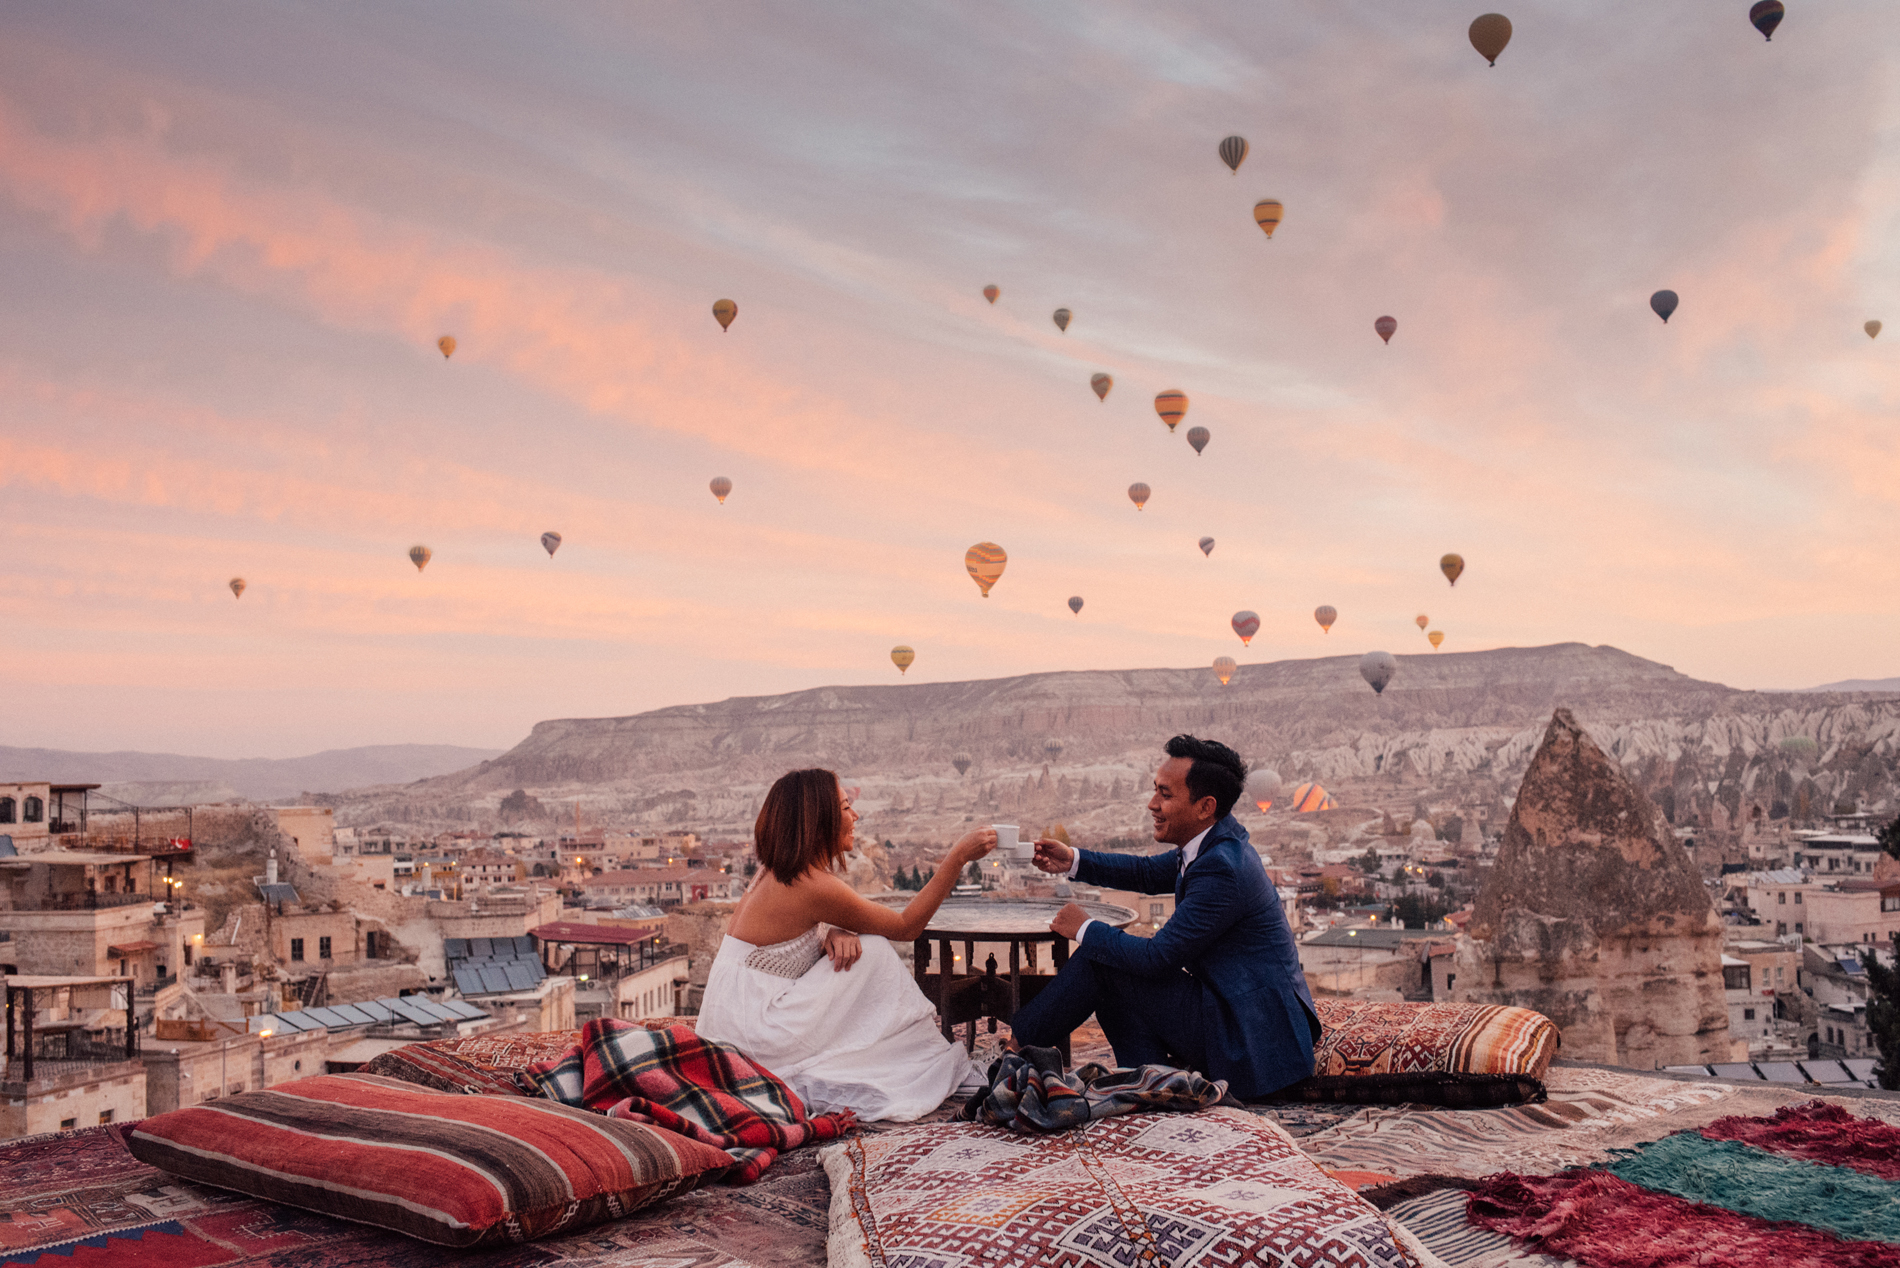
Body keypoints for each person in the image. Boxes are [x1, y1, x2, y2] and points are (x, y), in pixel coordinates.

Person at [1006, 735, 1321, 1099]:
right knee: (1111, 962)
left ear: (1205, 806)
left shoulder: (1223, 869)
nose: (1152, 804)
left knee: (1101, 959)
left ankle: (1012, 1054)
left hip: (1253, 1041)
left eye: (1166, 795)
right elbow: (1143, 873)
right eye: (1155, 791)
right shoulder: (1214, 844)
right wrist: (1072, 860)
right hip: (1243, 1017)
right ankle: (1151, 1079)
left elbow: (1158, 959)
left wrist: (1085, 928)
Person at [695, 768, 995, 1120]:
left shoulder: (777, 871)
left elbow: (788, 937)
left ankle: (919, 1061)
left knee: (861, 950)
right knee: (876, 953)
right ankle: (937, 1067)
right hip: (756, 1033)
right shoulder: (813, 884)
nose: (855, 815)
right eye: (845, 807)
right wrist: (957, 857)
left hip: (735, 1021)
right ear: (818, 820)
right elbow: (906, 926)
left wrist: (832, 932)